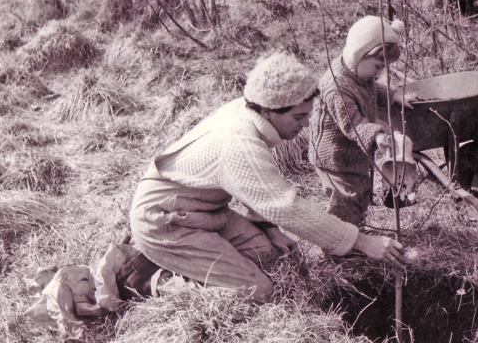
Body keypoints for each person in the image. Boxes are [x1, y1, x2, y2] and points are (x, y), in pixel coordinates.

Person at [129, 52, 407, 304]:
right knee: (259, 291)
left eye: (309, 114)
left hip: (206, 212)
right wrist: (360, 241)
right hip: (164, 221)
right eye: (299, 116)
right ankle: (157, 281)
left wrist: (269, 228)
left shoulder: (250, 111)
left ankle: (190, 263)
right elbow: (285, 207)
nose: (306, 124)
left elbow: (252, 184)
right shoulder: (238, 143)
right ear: (267, 111)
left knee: (276, 258)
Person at [308, 15, 415, 227]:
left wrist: (392, 94)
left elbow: (372, 88)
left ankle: (355, 230)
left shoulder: (357, 74)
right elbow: (353, 125)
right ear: (361, 55)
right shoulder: (336, 87)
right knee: (346, 199)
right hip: (335, 157)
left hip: (352, 154)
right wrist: (377, 135)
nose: (379, 73)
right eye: (377, 67)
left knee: (362, 191)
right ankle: (338, 244)